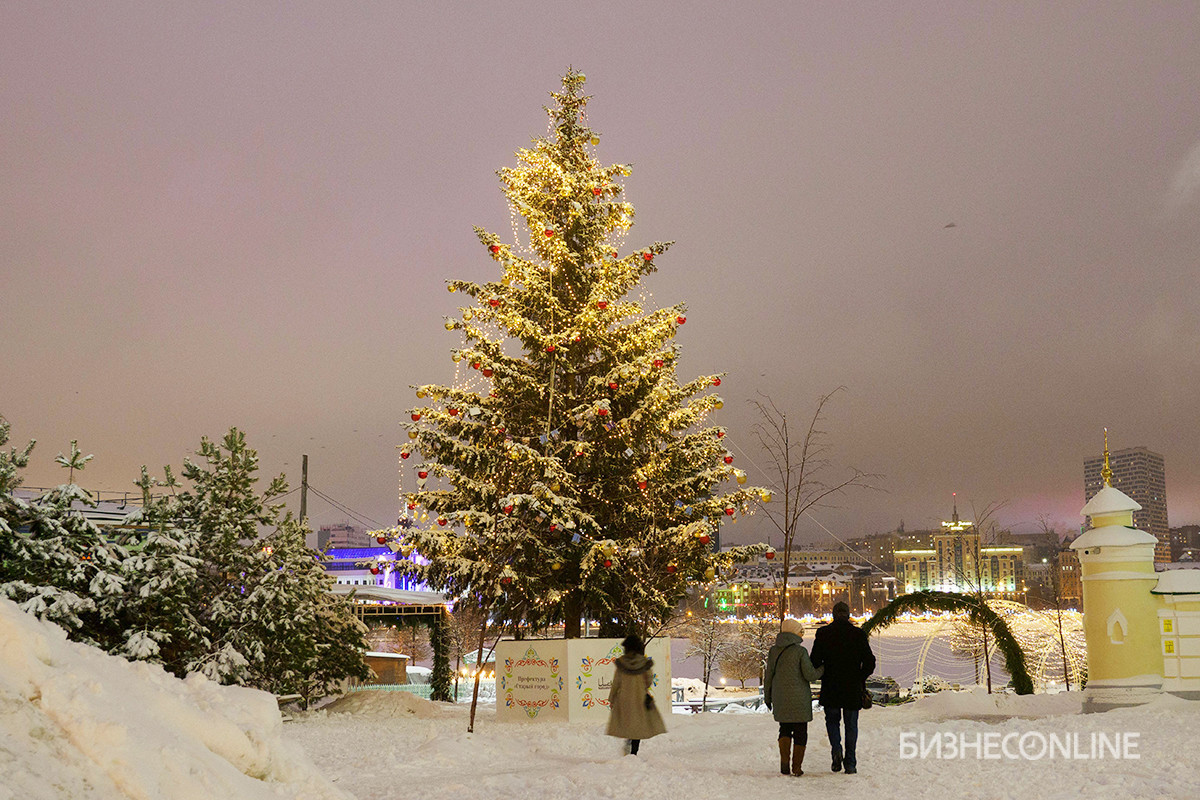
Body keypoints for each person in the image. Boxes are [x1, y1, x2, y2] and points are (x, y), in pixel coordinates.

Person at [810, 601, 876, 775]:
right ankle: (850, 763)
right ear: (848, 615)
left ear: (833, 615)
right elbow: (870, 662)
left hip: (831, 687)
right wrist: (860, 677)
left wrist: (825, 673)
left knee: (832, 721)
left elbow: (814, 662)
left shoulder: (823, 633)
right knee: (851, 725)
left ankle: (836, 749)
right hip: (852, 688)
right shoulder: (858, 634)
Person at [763, 618, 823, 776]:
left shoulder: (773, 651)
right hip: (799, 699)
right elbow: (810, 675)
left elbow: (768, 676)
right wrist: (823, 668)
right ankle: (796, 767)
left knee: (784, 728)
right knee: (800, 732)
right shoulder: (800, 651)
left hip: (780, 697)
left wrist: (767, 697)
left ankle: (784, 762)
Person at [605, 635, 666, 755]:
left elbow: (616, 682)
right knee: (638, 725)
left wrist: (611, 698)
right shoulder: (644, 663)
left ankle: (628, 741)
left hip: (624, 699)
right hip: (640, 698)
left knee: (628, 722)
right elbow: (649, 680)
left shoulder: (622, 664)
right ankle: (634, 751)